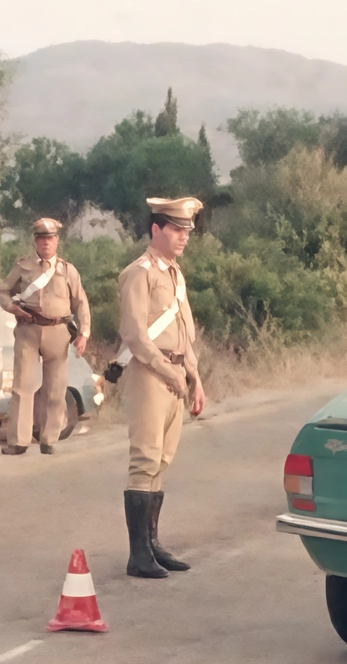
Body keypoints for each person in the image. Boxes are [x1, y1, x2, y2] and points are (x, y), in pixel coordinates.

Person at [116, 196, 207, 579]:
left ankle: (152, 544)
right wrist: (167, 372)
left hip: (174, 373)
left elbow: (184, 332)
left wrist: (194, 378)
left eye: (187, 230)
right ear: (156, 230)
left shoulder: (174, 274)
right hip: (150, 373)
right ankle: (138, 554)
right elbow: (135, 334)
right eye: (176, 229)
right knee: (145, 459)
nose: (183, 237)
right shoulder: (139, 273)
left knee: (162, 461)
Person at [0, 218, 91, 455]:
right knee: (22, 387)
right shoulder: (23, 266)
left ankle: (49, 439)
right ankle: (18, 441)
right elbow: (3, 291)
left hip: (57, 331)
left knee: (56, 388)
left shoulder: (68, 270)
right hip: (28, 330)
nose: (46, 243)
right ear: (35, 241)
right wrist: (13, 309)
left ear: (57, 240)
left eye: (50, 238)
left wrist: (84, 333)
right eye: (41, 238)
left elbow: (81, 303)